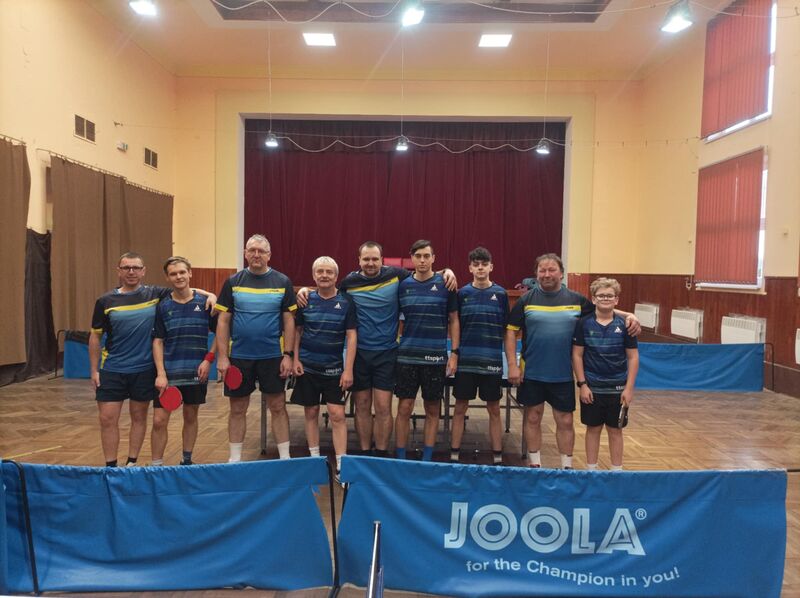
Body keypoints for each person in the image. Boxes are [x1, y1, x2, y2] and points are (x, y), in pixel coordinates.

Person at [297, 241, 456, 457]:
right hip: (360, 355)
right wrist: (306, 290)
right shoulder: (349, 282)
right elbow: (326, 290)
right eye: (366, 259)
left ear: (382, 260)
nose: (370, 263)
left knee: (383, 407)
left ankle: (380, 454)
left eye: (374, 259)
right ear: (359, 260)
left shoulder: (396, 276)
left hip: (387, 354)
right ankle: (365, 453)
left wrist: (446, 271)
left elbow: (424, 272)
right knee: (362, 405)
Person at [505, 253, 640, 469]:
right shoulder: (526, 300)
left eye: (552, 270)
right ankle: (535, 465)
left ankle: (567, 466)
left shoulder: (576, 300)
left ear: (561, 273)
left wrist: (628, 316)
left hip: (563, 374)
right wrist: (512, 365)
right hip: (531, 372)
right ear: (536, 274)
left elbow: (603, 307)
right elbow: (511, 332)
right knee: (532, 417)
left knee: (565, 420)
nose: (547, 274)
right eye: (542, 270)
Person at [89, 252, 214, 467]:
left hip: (145, 370)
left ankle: (132, 463)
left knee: (140, 418)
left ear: (143, 271)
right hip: (114, 368)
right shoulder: (106, 301)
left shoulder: (155, 294)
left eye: (136, 268)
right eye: (126, 268)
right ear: (119, 271)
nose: (131, 272)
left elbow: (185, 288)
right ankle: (111, 467)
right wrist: (93, 370)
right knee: (108, 419)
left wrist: (210, 294)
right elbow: (95, 336)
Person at [214, 234, 297, 463]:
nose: (256, 254)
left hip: (273, 356)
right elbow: (223, 321)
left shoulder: (282, 281)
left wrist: (288, 355)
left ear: (269, 255)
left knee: (278, 406)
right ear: (245, 253)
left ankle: (285, 458)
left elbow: (289, 321)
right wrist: (223, 357)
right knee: (237, 408)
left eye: (261, 251)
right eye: (252, 250)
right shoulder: (233, 282)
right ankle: (234, 460)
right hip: (239, 357)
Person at [291, 256, 357, 476]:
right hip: (308, 368)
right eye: (320, 271)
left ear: (336, 276)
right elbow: (298, 332)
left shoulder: (346, 302)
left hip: (334, 369)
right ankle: (315, 460)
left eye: (329, 272)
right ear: (313, 275)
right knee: (311, 412)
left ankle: (341, 463)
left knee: (337, 414)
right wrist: (295, 359)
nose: (324, 275)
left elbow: (352, 337)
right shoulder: (305, 300)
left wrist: (348, 370)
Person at [394, 240, 459, 461]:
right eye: (418, 256)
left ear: (433, 258)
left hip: (435, 358)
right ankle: (401, 459)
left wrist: (454, 353)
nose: (422, 260)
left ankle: (427, 459)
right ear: (412, 258)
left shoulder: (446, 284)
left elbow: (454, 320)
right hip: (407, 357)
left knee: (432, 409)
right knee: (404, 408)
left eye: (426, 256)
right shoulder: (403, 286)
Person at [151, 256, 216, 466]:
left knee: (190, 416)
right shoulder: (163, 306)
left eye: (182, 272)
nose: (178, 277)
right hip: (169, 373)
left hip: (196, 372)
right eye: (173, 274)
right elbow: (158, 341)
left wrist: (208, 360)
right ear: (167, 277)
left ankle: (186, 461)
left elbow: (221, 332)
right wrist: (161, 373)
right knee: (159, 420)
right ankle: (157, 466)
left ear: (190, 273)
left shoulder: (205, 303)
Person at [572, 277, 639, 470]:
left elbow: (633, 357)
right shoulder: (583, 324)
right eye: (601, 296)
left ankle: (616, 471)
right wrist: (582, 385)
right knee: (593, 429)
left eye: (610, 296)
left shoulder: (626, 325)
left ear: (616, 299)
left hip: (617, 389)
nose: (605, 299)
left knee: (615, 430)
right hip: (592, 388)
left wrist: (629, 388)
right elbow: (577, 355)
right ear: (593, 299)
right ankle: (591, 470)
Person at [450, 247, 508, 465]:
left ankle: (497, 456)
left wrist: (509, 361)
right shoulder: (462, 294)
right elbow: (455, 326)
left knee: (494, 409)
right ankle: (454, 453)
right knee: (460, 407)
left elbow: (506, 329)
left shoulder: (500, 294)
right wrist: (455, 354)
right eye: (476, 264)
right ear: (470, 268)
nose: (480, 268)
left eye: (484, 264)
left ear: (491, 267)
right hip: (466, 362)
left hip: (491, 362)